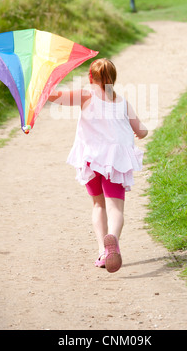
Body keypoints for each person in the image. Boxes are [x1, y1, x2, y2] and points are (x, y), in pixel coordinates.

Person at [48, 58, 148, 273]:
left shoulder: (86, 95)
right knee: (115, 207)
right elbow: (142, 131)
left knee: (98, 205)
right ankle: (113, 238)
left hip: (91, 159)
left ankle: (103, 250)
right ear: (114, 78)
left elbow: (54, 97)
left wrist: (46, 82)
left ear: (90, 77)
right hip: (115, 162)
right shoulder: (122, 102)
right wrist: (136, 132)